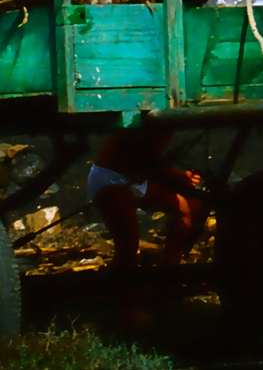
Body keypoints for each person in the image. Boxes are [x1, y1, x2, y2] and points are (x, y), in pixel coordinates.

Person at [87, 129, 208, 323]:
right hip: (111, 178)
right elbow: (140, 158)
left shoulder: (166, 122)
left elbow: (149, 161)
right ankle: (130, 308)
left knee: (189, 206)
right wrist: (177, 176)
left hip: (139, 178)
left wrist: (178, 176)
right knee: (127, 244)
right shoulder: (140, 120)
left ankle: (169, 274)